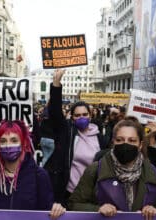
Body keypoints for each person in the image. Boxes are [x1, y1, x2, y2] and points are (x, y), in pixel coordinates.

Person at [68, 118, 156, 219]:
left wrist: (154, 210)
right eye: (119, 140)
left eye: (132, 140)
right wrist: (98, 209)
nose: (125, 144)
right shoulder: (95, 169)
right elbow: (73, 204)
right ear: (113, 142)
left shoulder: (151, 171)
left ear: (140, 145)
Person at [46, 69, 107, 205]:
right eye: (77, 115)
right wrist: (56, 84)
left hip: (93, 194)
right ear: (72, 118)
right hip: (69, 192)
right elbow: (55, 113)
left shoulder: (100, 138)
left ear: (90, 116)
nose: (82, 118)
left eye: (85, 115)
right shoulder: (68, 133)